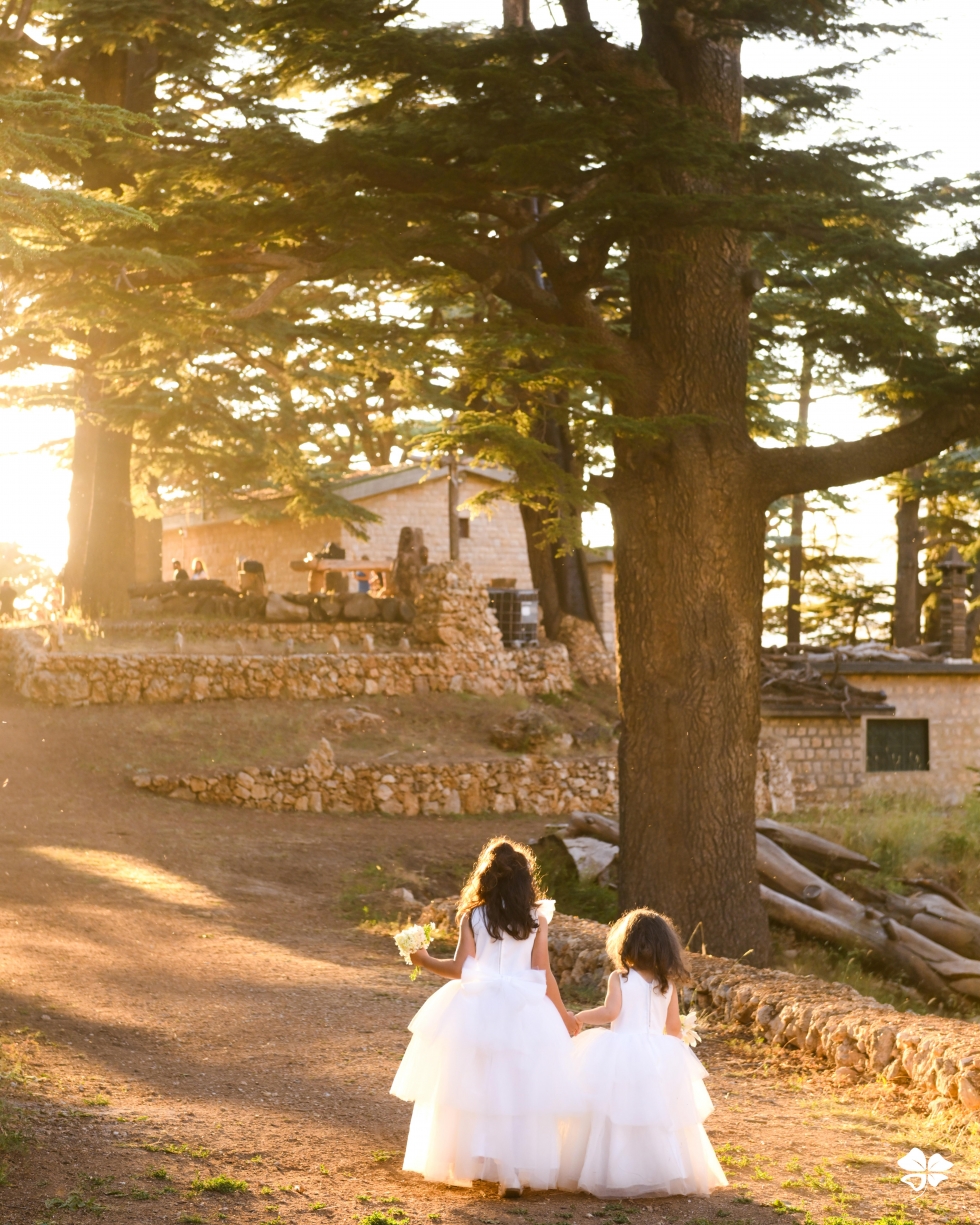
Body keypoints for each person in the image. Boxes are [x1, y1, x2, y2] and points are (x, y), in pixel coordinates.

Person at [391, 838, 581, 1196]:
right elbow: (543, 973)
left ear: (486, 877)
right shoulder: (535, 918)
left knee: (475, 1085)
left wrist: (424, 959)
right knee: (519, 1087)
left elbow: (461, 969)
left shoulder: (474, 916)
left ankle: (473, 1159)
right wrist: (563, 1015)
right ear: (525, 880)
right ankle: (511, 1173)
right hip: (525, 1010)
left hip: (477, 1008)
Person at [559, 909, 728, 1199]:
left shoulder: (621, 978)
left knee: (617, 1108)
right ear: (666, 948)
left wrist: (581, 1016)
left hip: (621, 1051)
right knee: (656, 1111)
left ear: (626, 945)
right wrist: (669, 1056)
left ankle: (616, 1171)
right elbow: (673, 1029)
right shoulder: (667, 984)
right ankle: (659, 1171)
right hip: (656, 1053)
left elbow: (611, 1013)